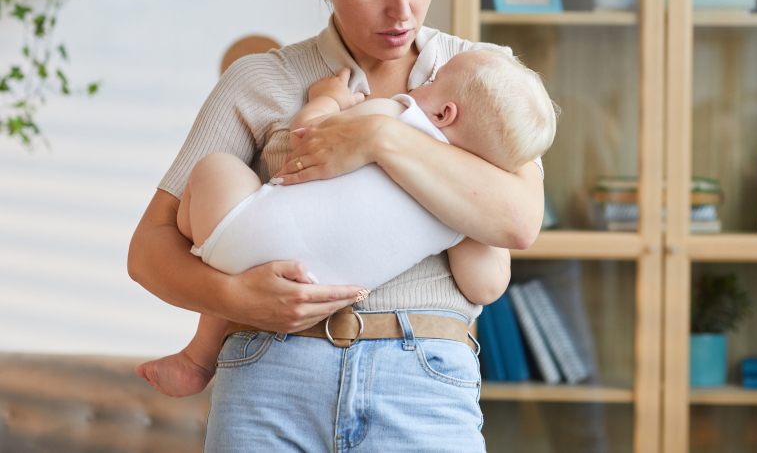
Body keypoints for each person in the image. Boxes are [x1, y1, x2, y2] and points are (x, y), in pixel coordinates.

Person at [127, 0, 547, 452]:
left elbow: (518, 220)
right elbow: (148, 249)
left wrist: (380, 136)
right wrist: (237, 298)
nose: (401, 11)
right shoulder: (260, 81)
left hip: (423, 379)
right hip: (269, 376)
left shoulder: (484, 82)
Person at [135, 49, 556, 398]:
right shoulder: (462, 214)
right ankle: (197, 355)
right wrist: (468, 221)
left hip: (255, 251)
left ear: (445, 112)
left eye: (433, 80)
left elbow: (308, 131)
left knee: (215, 168)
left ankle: (197, 355)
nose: (418, 85)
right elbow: (486, 286)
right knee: (235, 259)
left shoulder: (396, 113)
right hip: (310, 290)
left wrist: (329, 98)